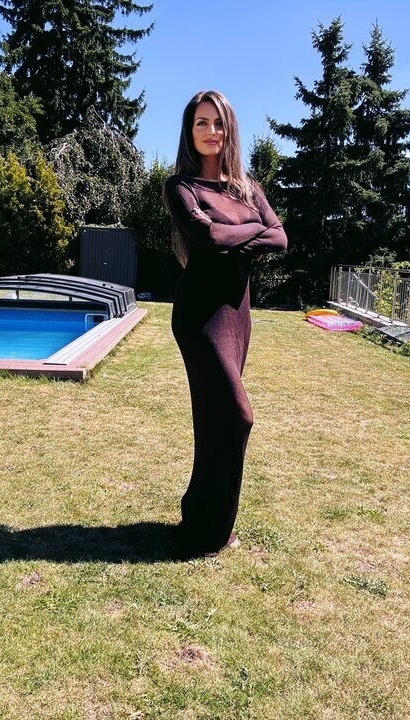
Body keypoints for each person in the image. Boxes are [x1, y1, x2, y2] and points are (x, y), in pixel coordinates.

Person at [162, 90, 288, 556]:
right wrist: (253, 230)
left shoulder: (248, 187)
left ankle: (197, 517)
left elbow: (281, 238)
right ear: (189, 131)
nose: (210, 131)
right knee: (237, 417)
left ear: (229, 129)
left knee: (215, 420)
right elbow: (209, 236)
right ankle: (213, 531)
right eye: (201, 123)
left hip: (237, 316)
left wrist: (236, 236)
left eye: (217, 123)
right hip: (199, 316)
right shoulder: (181, 187)